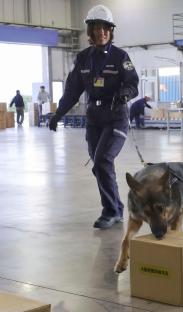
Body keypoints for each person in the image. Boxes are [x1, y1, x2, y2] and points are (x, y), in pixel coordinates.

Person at [48, 5, 139, 229]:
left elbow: (133, 84)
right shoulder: (83, 59)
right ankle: (116, 208)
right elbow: (72, 91)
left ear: (110, 31)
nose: (101, 32)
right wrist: (58, 114)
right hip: (94, 119)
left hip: (116, 116)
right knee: (99, 165)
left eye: (105, 28)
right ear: (90, 31)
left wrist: (125, 94)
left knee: (102, 160)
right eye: (96, 28)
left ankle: (110, 211)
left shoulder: (120, 57)